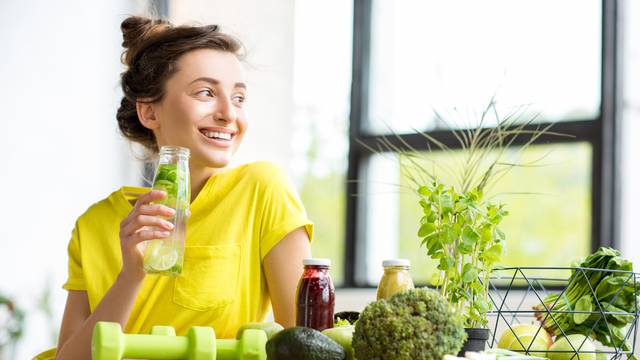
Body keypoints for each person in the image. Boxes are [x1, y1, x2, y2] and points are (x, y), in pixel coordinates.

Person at [34, 15, 313, 360]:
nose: (229, 113)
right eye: (206, 93)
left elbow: (309, 347)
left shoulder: (263, 191)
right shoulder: (94, 226)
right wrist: (131, 276)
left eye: (239, 98)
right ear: (150, 112)